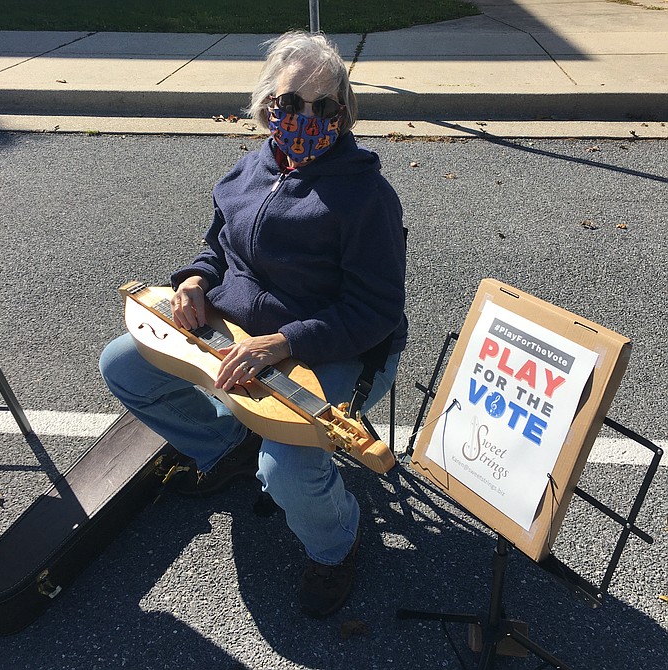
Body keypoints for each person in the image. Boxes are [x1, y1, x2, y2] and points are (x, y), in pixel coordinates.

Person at [99, 30, 407, 619]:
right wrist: (193, 281)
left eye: (325, 107)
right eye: (291, 103)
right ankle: (227, 445)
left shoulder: (367, 196)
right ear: (268, 105)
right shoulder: (248, 170)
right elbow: (218, 248)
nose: (306, 119)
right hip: (244, 335)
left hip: (335, 345)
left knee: (288, 463)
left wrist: (286, 341)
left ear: (345, 112)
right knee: (124, 364)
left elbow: (376, 311)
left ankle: (336, 544)